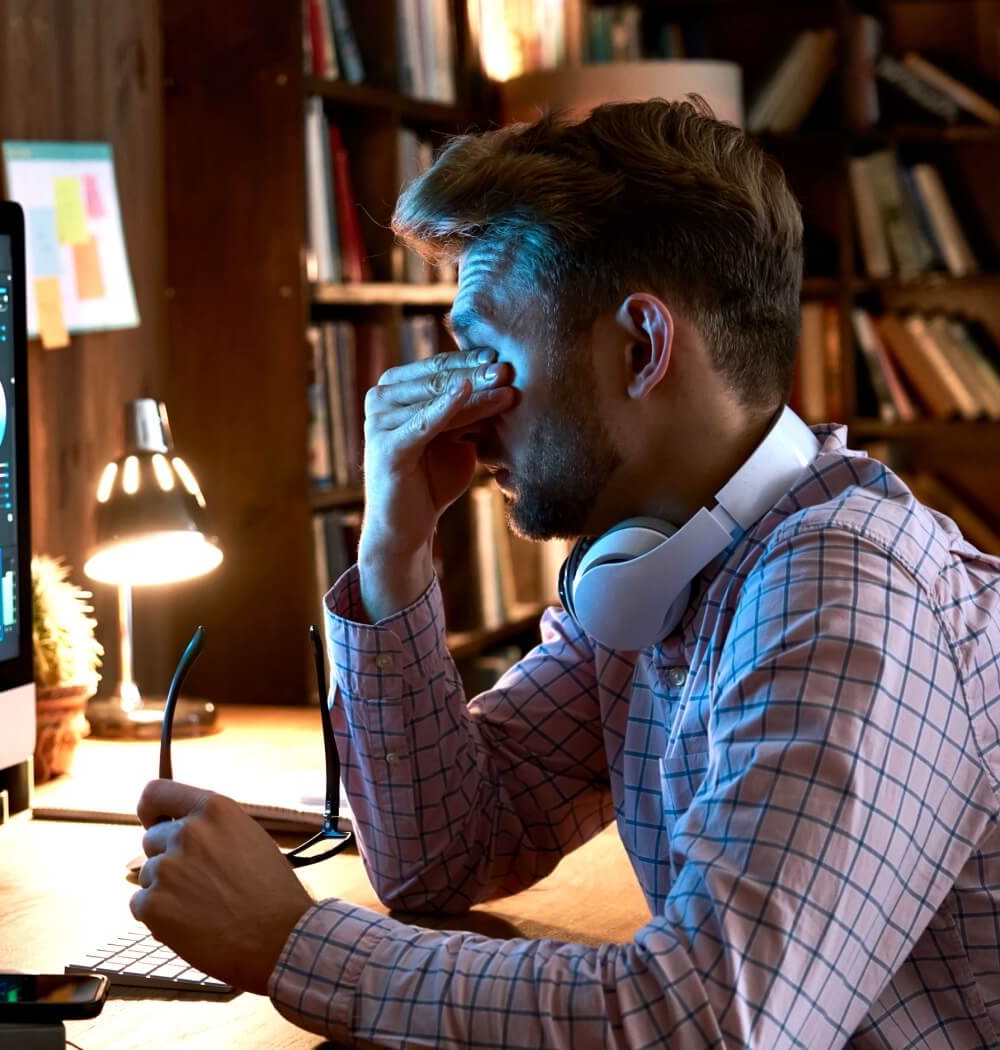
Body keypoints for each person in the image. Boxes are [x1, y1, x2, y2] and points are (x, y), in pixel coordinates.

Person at [131, 97, 1000, 1048]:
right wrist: (394, 545)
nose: (459, 408)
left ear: (642, 347)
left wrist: (288, 940)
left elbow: (700, 1024)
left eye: (487, 354)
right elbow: (445, 856)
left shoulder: (843, 592)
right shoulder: (656, 569)